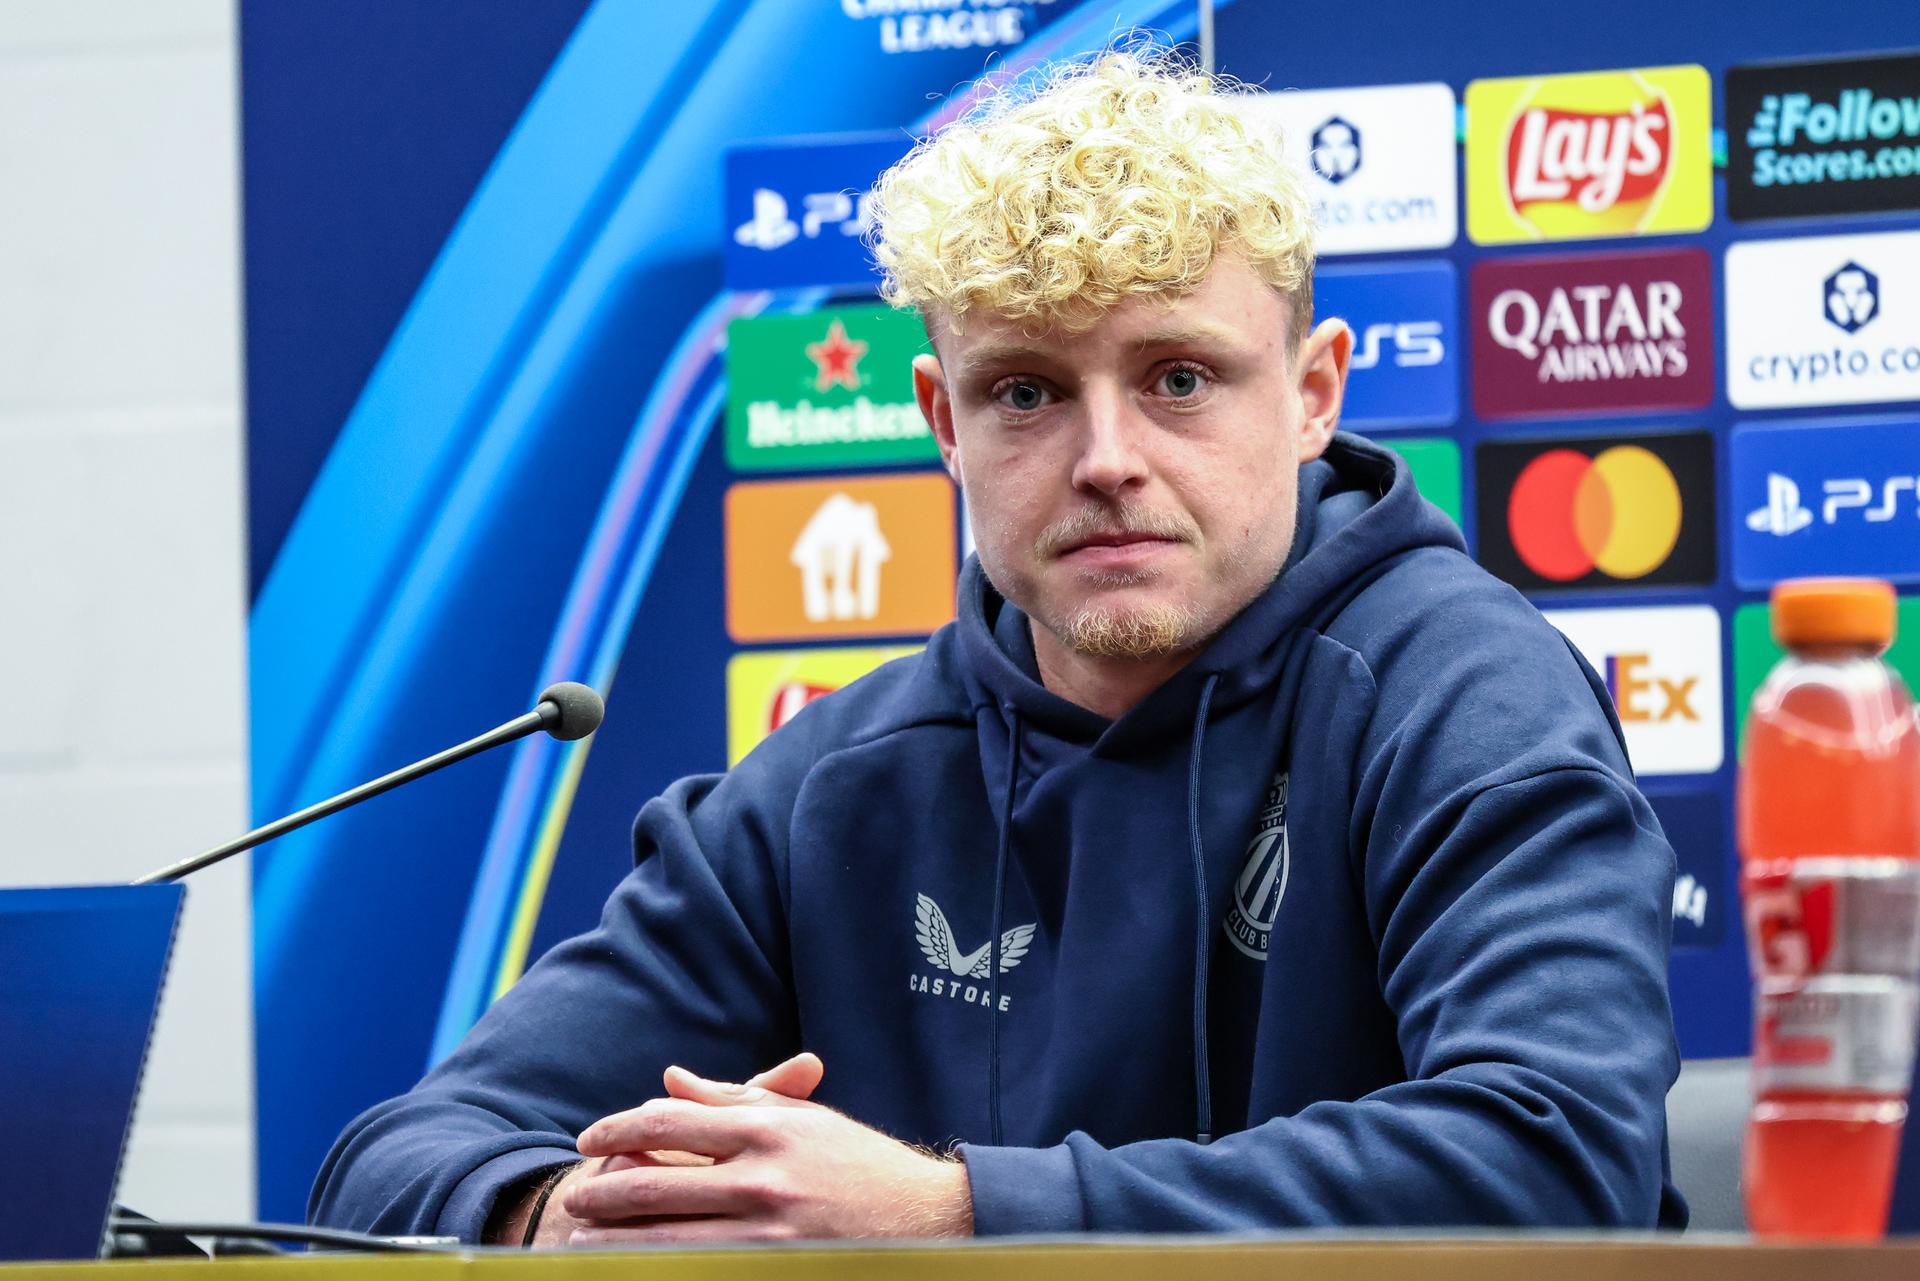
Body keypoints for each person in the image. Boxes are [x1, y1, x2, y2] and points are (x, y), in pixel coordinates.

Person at [312, 50, 1687, 1246]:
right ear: (942, 419)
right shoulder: (827, 788)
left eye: (1179, 378)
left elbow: (1557, 1159)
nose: (1107, 461)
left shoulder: (1460, 696)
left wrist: (946, 1212)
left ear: (1315, 392)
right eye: (1026, 390)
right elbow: (396, 1157)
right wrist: (563, 1217)